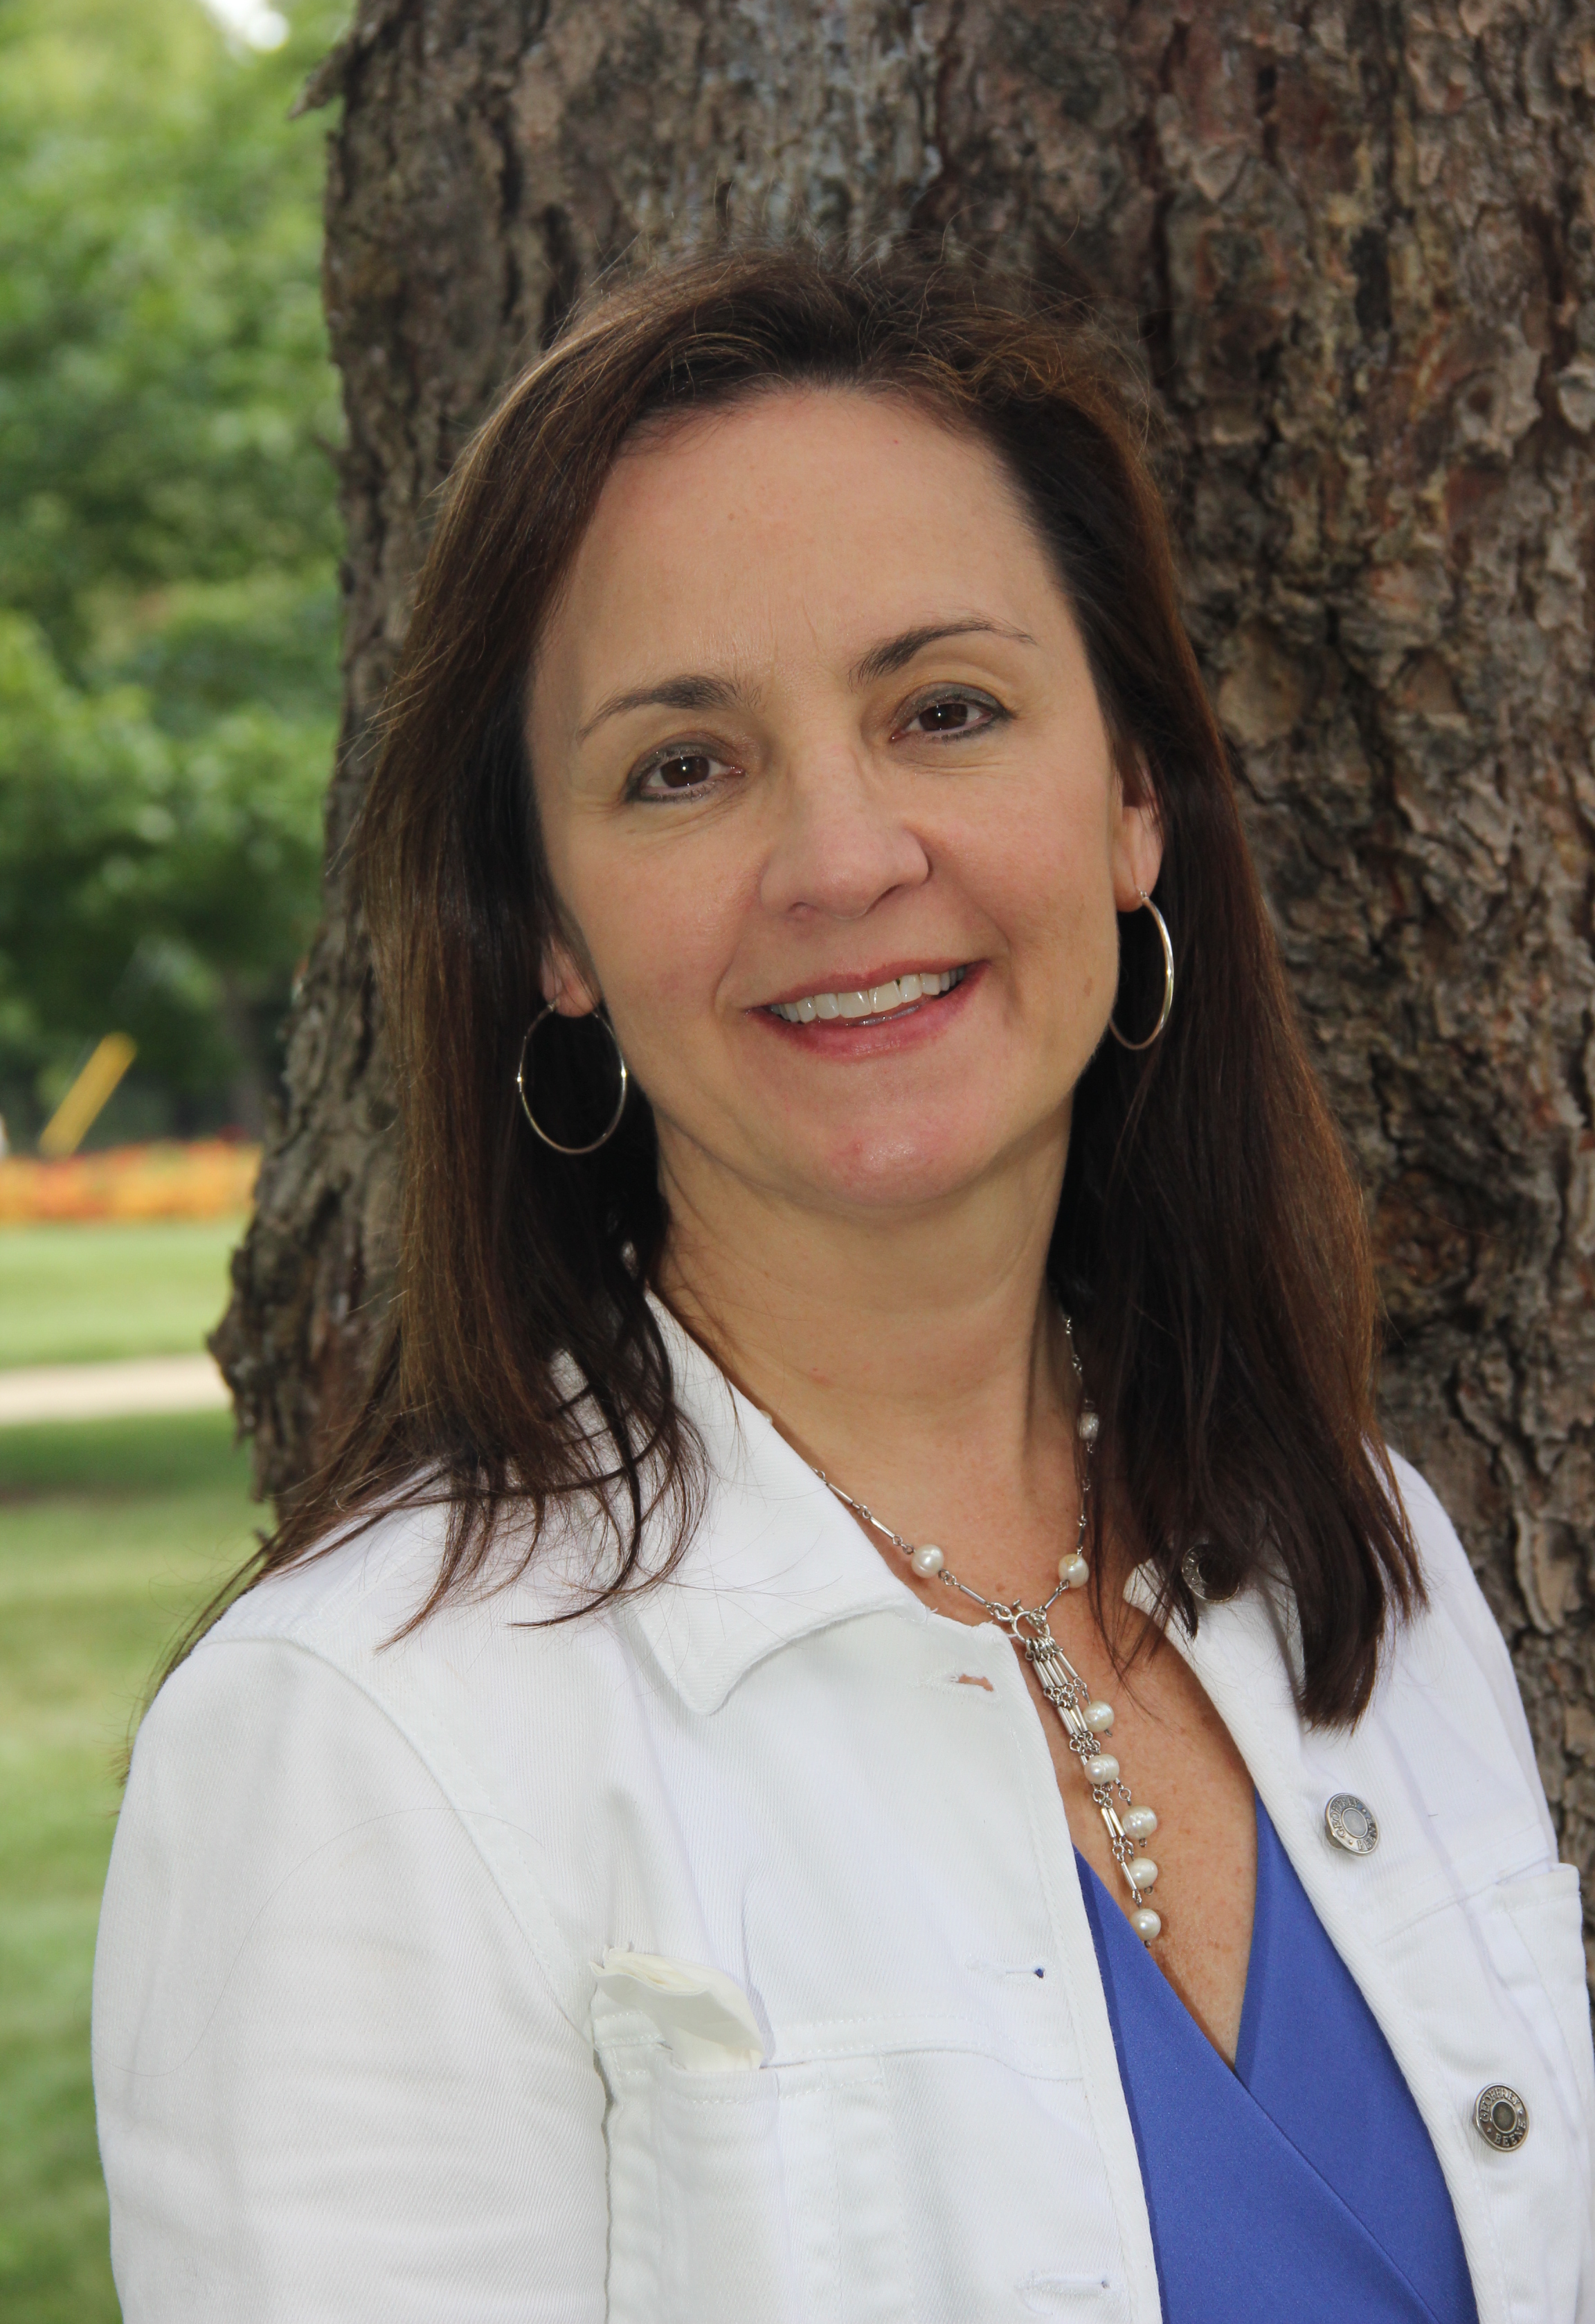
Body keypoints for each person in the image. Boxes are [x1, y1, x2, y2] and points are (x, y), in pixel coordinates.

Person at [93, 247, 1593, 2323]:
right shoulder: (366, 1745)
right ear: (551, 931)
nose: (842, 857)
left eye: (945, 711)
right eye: (682, 767)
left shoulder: (1361, 1548)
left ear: (1134, 797)